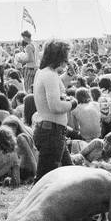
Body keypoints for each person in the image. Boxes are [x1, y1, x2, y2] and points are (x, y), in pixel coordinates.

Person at [32, 40, 74, 181]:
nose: (67, 60)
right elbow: (55, 107)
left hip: (50, 131)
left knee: (70, 174)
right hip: (52, 133)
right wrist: (72, 104)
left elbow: (54, 87)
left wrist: (68, 76)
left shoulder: (44, 72)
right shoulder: (50, 75)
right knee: (43, 182)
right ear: (59, 56)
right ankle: (33, 203)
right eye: (65, 56)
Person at [20, 30, 39, 95]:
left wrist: (22, 61)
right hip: (36, 68)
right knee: (35, 89)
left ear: (25, 37)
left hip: (30, 69)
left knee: (28, 89)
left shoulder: (29, 46)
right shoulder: (35, 44)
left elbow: (31, 59)